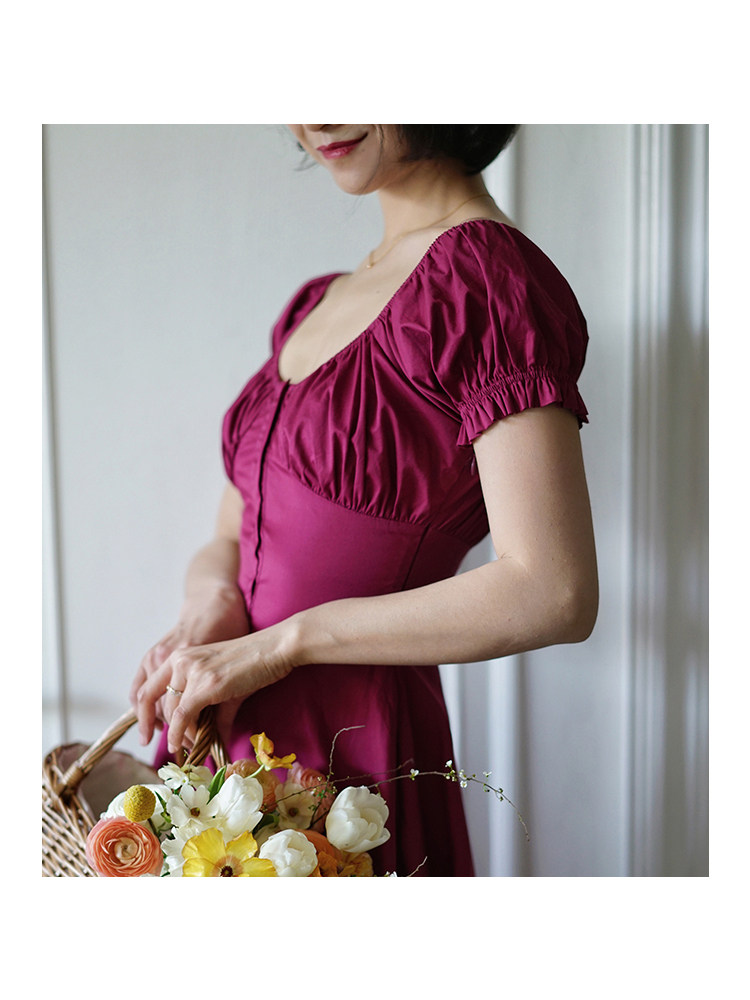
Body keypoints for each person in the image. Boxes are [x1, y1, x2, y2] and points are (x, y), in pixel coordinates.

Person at [131, 124, 599, 876]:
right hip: (229, 744)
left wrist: (280, 646)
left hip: (352, 759)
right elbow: (233, 529)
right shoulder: (317, 301)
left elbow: (553, 591)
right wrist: (208, 607)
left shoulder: (485, 279)